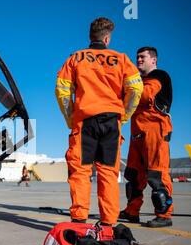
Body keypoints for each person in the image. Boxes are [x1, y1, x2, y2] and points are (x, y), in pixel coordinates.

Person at [55, 17, 143, 227]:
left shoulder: (76, 58)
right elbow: (136, 88)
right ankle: (107, 225)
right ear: (106, 38)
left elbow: (62, 90)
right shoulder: (120, 59)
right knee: (108, 173)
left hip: (85, 122)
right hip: (112, 123)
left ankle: (79, 222)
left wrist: (71, 118)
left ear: (90, 37)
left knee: (81, 172)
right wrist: (124, 115)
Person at [119, 47, 174, 228]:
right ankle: (132, 211)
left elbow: (143, 96)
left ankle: (164, 215)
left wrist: (123, 90)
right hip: (137, 133)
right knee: (133, 175)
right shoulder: (138, 81)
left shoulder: (159, 76)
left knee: (156, 173)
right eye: (137, 57)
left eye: (143, 57)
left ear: (154, 60)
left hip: (155, 130)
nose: (139, 60)